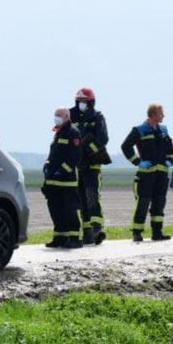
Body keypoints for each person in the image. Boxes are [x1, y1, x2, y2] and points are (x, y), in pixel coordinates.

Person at [120, 103, 173, 242]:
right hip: (146, 174)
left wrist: (170, 160)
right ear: (153, 114)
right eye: (161, 113)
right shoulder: (139, 130)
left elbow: (169, 148)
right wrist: (137, 162)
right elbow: (125, 146)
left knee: (159, 202)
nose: (164, 115)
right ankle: (137, 232)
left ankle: (157, 232)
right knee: (143, 203)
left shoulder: (163, 130)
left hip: (161, 174)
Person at [69, 87, 111, 244]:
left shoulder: (97, 117)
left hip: (92, 164)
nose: (81, 104)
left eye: (84, 101)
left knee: (92, 196)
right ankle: (87, 232)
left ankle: (97, 228)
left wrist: (88, 150)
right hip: (76, 165)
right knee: (80, 199)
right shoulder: (70, 115)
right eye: (79, 101)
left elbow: (103, 138)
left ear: (91, 102)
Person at [42, 106, 83, 249]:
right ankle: (60, 238)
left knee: (69, 210)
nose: (56, 117)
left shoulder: (73, 133)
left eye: (59, 115)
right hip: (53, 182)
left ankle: (74, 238)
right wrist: (47, 165)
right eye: (55, 115)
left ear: (67, 117)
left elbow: (75, 156)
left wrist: (62, 170)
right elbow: (54, 154)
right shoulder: (58, 133)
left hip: (67, 182)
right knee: (56, 210)